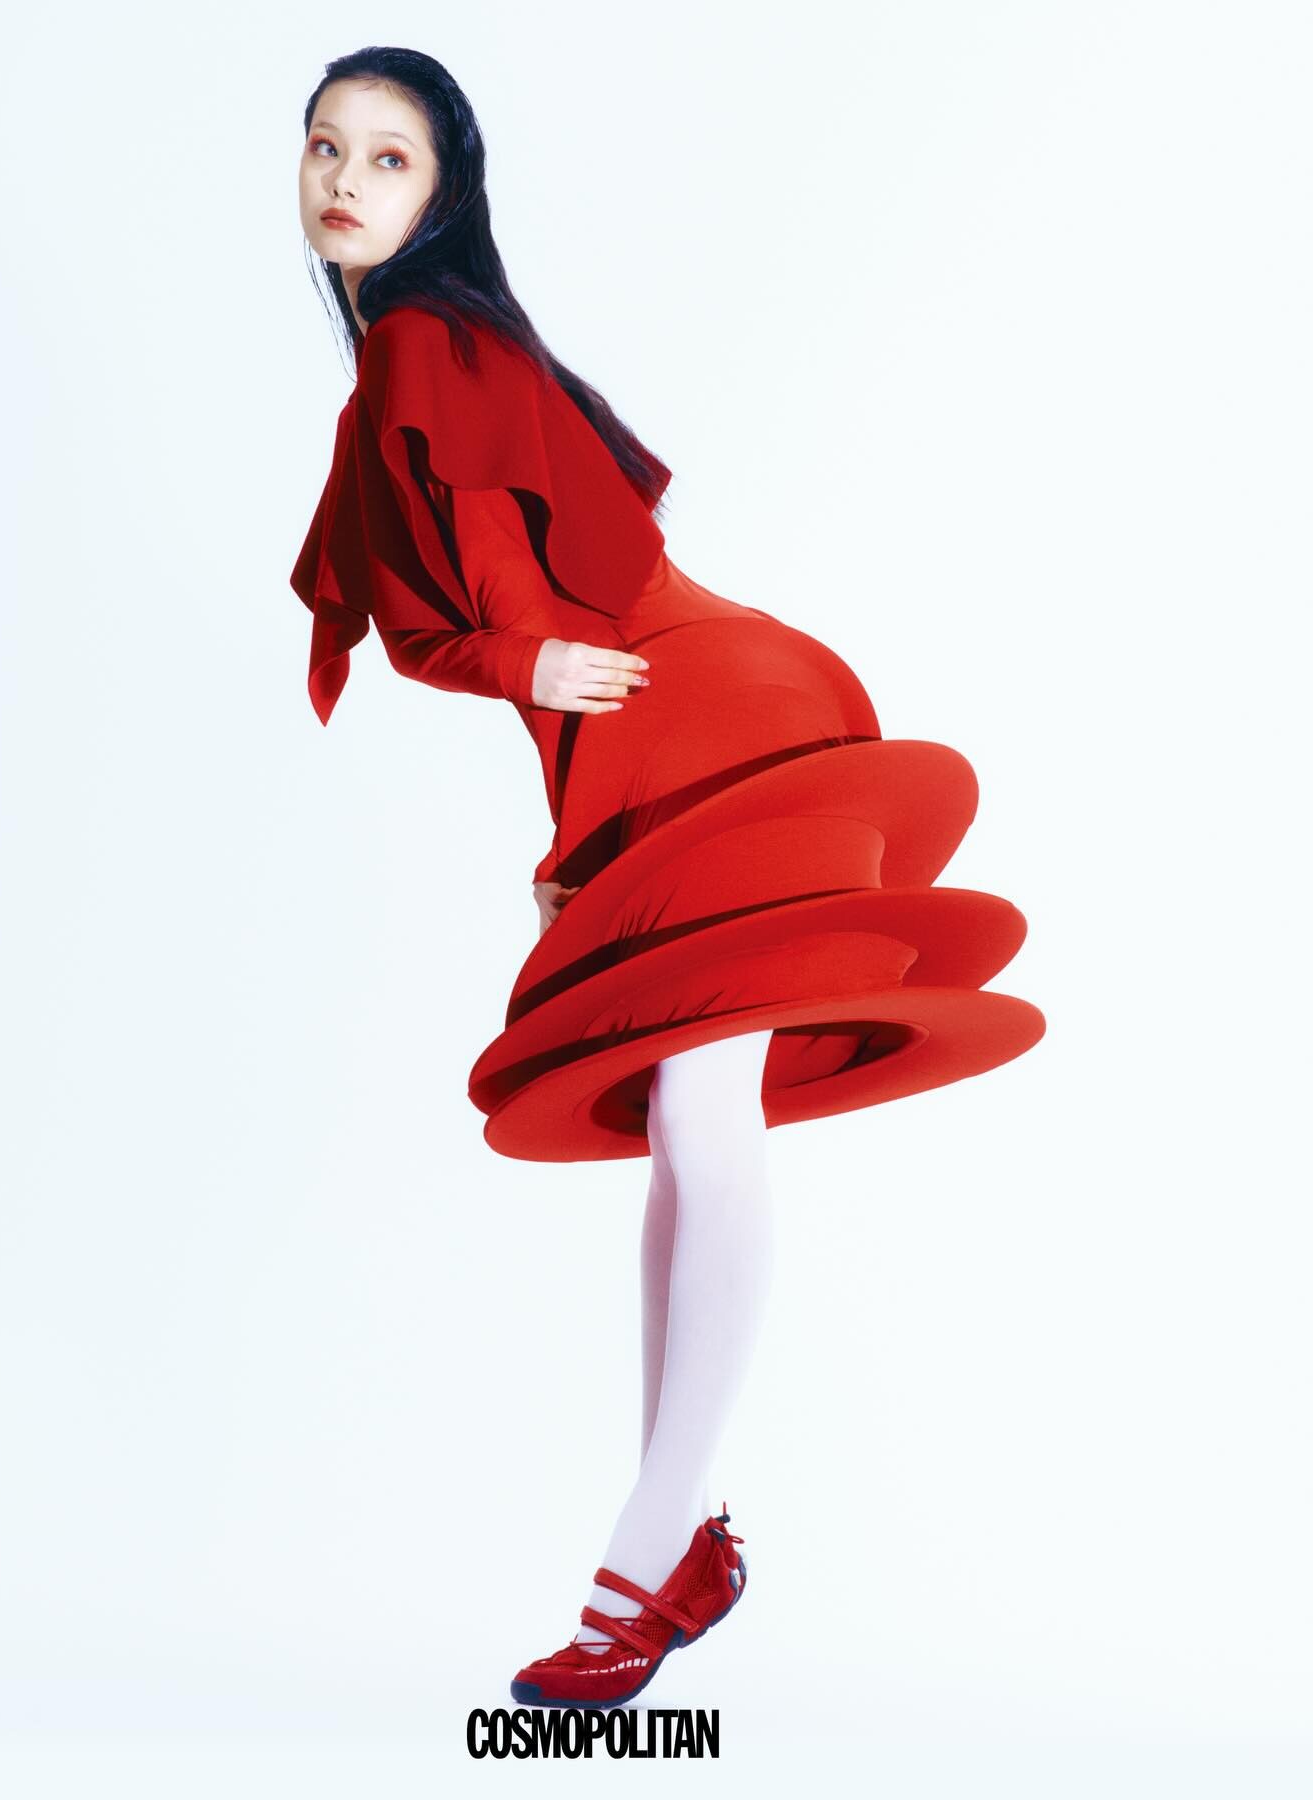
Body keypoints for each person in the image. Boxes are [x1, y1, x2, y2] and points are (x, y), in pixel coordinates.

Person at [291, 47, 1044, 1710]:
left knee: (705, 1117)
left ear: (446, 191)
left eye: (389, 158)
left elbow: (536, 622)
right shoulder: (404, 369)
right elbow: (476, 645)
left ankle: (640, 1573)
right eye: (326, 148)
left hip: (709, 718)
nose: (344, 179)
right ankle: (677, 1540)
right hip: (677, 721)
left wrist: (568, 771)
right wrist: (577, 819)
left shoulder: (424, 343)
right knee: (693, 1129)